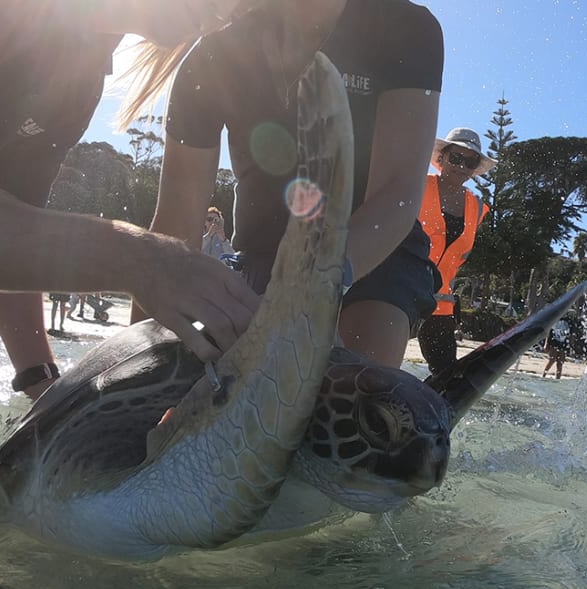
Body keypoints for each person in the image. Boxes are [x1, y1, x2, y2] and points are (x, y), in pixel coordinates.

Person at [0, 0, 260, 493]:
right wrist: (135, 257)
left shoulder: (81, 76)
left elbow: (19, 234)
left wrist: (47, 390)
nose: (232, 11)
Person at [132, 0, 443, 368]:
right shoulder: (213, 55)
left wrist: (317, 286)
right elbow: (175, 228)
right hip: (263, 254)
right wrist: (139, 359)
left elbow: (395, 194)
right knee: (184, 377)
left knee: (355, 385)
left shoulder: (406, 25)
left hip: (375, 252)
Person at [416, 127, 496, 375]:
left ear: (474, 169)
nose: (461, 166)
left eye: (469, 161)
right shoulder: (415, 187)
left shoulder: (478, 207)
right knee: (378, 366)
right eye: (456, 158)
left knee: (447, 378)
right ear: (441, 158)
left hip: (440, 305)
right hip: (399, 293)